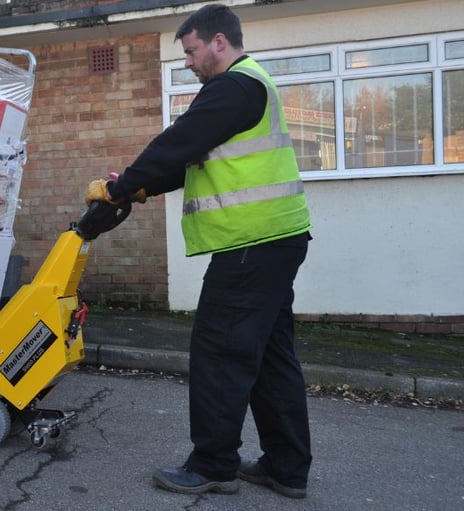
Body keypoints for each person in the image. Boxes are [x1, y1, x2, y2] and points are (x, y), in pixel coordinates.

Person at [85, 4, 313, 499]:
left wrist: (123, 185)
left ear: (218, 43)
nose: (188, 61)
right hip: (275, 240)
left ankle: (213, 463)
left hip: (251, 245)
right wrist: (139, 190)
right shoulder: (251, 86)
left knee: (220, 354)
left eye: (190, 51)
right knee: (271, 358)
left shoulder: (233, 87)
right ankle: (287, 466)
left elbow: (179, 141)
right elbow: (192, 159)